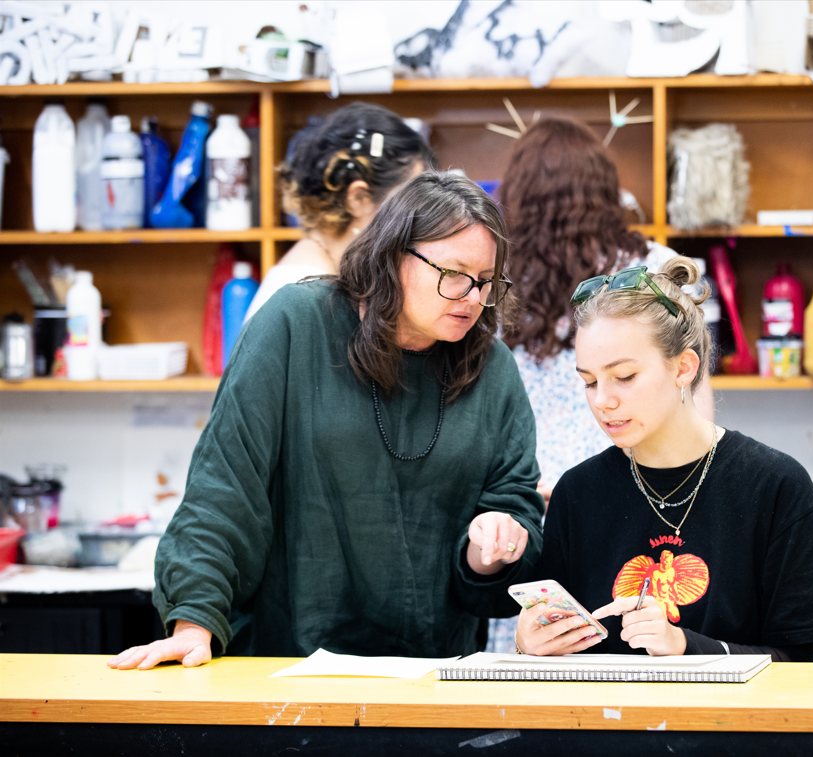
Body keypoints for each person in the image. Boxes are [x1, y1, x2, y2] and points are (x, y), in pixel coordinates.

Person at [109, 172, 543, 670]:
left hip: (431, 671)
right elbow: (225, 486)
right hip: (285, 663)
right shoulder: (295, 324)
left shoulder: (491, 366)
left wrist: (491, 550)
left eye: (487, 282)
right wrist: (195, 618)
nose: (471, 297)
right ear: (394, 255)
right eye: (455, 274)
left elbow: (514, 504)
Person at [514, 256, 813, 660]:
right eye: (589, 381)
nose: (602, 400)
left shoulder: (775, 485)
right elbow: (555, 658)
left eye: (624, 376)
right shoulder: (577, 493)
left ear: (684, 368)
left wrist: (685, 645)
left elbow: (801, 668)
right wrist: (528, 646)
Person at [485, 118, 713, 653]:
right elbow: (696, 406)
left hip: (529, 501)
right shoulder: (656, 268)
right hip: (637, 498)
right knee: (644, 651)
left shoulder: (495, 277)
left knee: (542, 654)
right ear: (606, 191)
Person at [243, 102, 434, 322]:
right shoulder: (307, 292)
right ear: (358, 198)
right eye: (409, 197)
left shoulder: (331, 274)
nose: (418, 213)